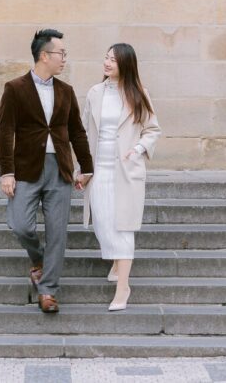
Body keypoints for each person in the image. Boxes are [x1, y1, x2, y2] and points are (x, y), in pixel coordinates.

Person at [0, 28, 94, 313]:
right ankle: (38, 260)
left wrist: (86, 167)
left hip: (60, 170)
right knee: (20, 225)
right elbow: (5, 132)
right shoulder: (14, 88)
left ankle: (48, 290)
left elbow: (77, 131)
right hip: (26, 168)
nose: (64, 59)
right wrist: (7, 172)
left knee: (57, 233)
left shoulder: (66, 91)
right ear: (44, 55)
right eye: (60, 53)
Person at [81, 43, 161, 311]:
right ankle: (116, 263)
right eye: (106, 57)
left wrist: (137, 149)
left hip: (126, 170)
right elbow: (82, 132)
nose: (107, 63)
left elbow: (152, 129)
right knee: (102, 223)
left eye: (113, 60)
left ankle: (122, 287)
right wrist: (80, 168)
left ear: (125, 64)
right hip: (99, 168)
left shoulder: (139, 94)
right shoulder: (94, 93)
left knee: (123, 227)